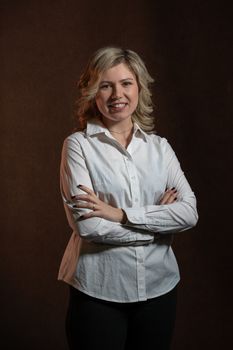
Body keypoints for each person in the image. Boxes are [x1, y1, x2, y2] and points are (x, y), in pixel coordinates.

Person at [58, 46, 198, 350]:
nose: (116, 94)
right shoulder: (78, 146)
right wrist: (157, 228)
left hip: (160, 290)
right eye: (105, 85)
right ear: (93, 92)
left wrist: (120, 214)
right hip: (98, 291)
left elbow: (189, 213)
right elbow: (89, 228)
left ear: (139, 88)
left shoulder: (160, 147)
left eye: (126, 83)